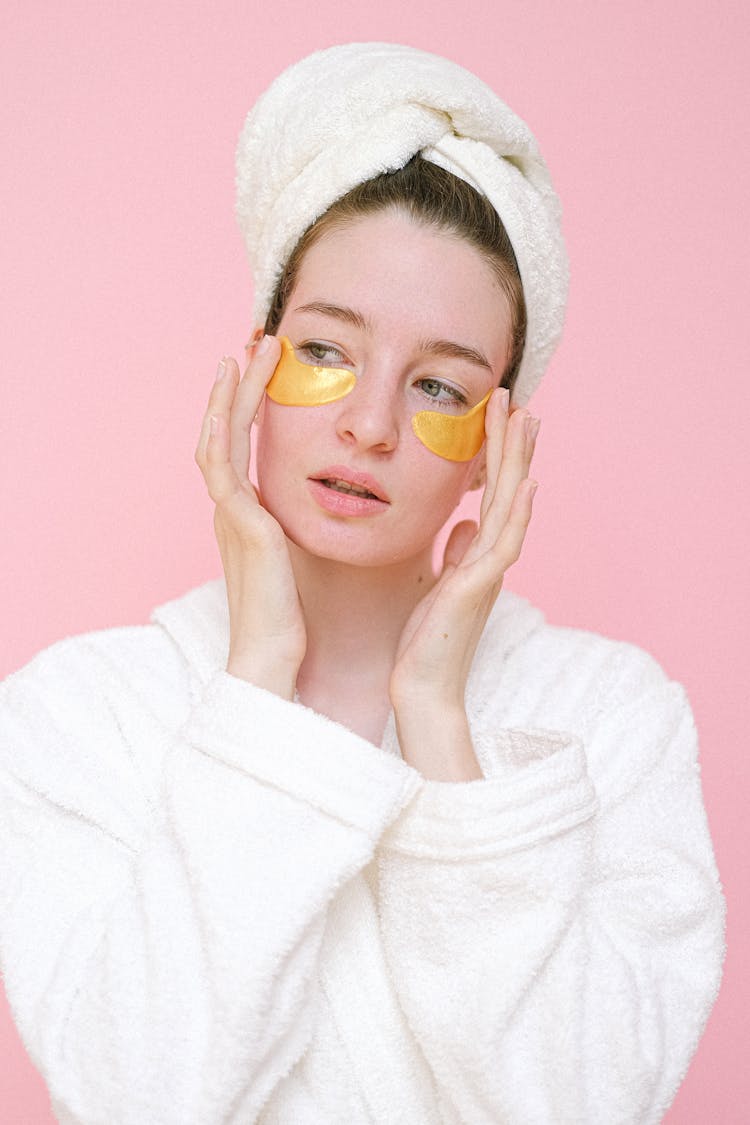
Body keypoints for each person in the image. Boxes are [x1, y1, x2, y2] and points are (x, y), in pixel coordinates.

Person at [0, 42, 724, 1125]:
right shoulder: (78, 716)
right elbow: (135, 1101)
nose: (370, 424)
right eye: (327, 352)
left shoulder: (611, 723)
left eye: (439, 385)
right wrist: (255, 683)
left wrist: (437, 719)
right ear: (252, 370)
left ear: (496, 444)